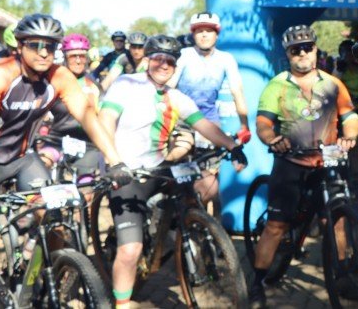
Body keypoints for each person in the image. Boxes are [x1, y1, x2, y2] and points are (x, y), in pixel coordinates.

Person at [98, 34, 248, 309]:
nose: (164, 65)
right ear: (147, 59)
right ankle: (122, 302)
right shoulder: (126, 84)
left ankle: (187, 234)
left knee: (194, 191)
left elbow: (204, 125)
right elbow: (105, 119)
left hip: (159, 168)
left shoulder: (176, 97)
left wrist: (231, 145)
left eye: (170, 61)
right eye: (158, 59)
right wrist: (113, 161)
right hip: (126, 172)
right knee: (130, 250)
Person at [0, 14, 132, 270]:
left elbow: (88, 116)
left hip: (22, 159)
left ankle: (42, 277)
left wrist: (116, 162)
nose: (44, 52)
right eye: (35, 45)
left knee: (54, 221)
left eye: (50, 46)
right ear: (20, 46)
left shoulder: (59, 76)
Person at [249, 24, 358, 308]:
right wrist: (272, 138)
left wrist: (350, 136)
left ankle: (343, 276)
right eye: (295, 49)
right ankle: (257, 282)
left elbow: (349, 116)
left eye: (307, 47)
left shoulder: (333, 84)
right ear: (288, 54)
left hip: (326, 161)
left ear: (316, 49)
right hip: (290, 163)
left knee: (336, 222)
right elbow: (263, 122)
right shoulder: (277, 85)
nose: (302, 53)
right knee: (276, 225)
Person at [168, 12, 251, 204]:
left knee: (210, 184)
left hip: (209, 122)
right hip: (181, 122)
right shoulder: (184, 55)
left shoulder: (226, 59)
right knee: (177, 173)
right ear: (193, 35)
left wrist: (244, 125)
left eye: (209, 31)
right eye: (199, 31)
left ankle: (202, 224)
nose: (204, 35)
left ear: (216, 34)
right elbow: (169, 86)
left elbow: (237, 91)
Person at [34, 33, 104, 180]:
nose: (78, 61)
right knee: (40, 166)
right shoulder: (52, 80)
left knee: (87, 187)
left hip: (87, 144)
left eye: (82, 56)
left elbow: (103, 116)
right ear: (65, 57)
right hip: (57, 139)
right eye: (73, 56)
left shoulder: (94, 86)